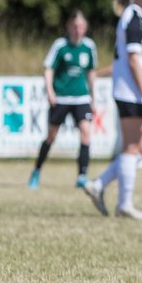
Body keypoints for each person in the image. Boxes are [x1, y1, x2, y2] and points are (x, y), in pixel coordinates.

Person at [83, 0, 142, 220]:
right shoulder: (135, 17)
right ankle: (124, 204)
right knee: (132, 147)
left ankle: (100, 184)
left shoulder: (136, 16)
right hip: (132, 92)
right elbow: (134, 61)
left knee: (140, 146)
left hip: (132, 91)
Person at [28, 10, 98, 190]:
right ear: (69, 27)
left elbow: (91, 72)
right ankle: (36, 170)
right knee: (51, 136)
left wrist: (93, 97)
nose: (78, 30)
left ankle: (82, 175)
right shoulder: (60, 45)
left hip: (81, 98)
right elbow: (48, 68)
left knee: (86, 132)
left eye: (81, 27)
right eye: (75, 26)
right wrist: (50, 91)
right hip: (61, 98)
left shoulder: (89, 46)